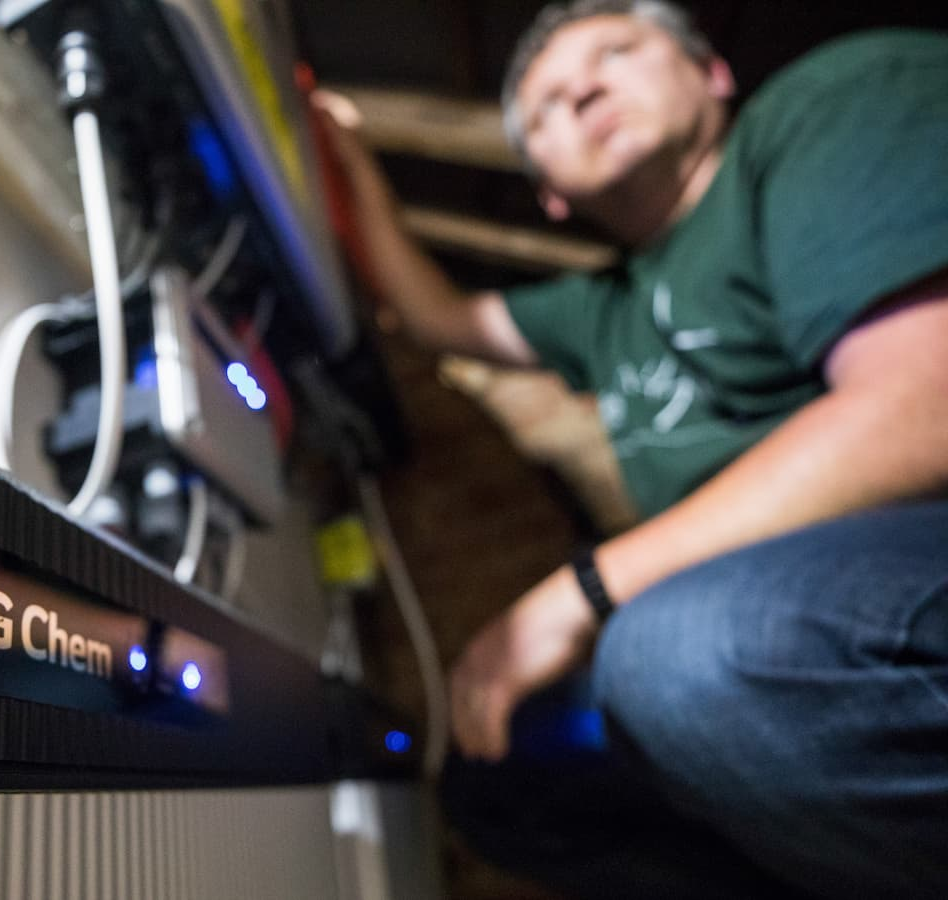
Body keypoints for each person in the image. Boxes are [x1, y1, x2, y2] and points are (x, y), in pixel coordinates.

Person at [315, 2, 948, 898]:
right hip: (769, 634)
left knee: (682, 653)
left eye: (615, 52)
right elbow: (435, 318)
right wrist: (345, 162)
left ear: (713, 73)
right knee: (501, 778)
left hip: (900, 566)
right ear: (550, 191)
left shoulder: (826, 111)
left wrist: (585, 589)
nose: (580, 88)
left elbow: (925, 407)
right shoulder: (605, 309)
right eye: (544, 111)